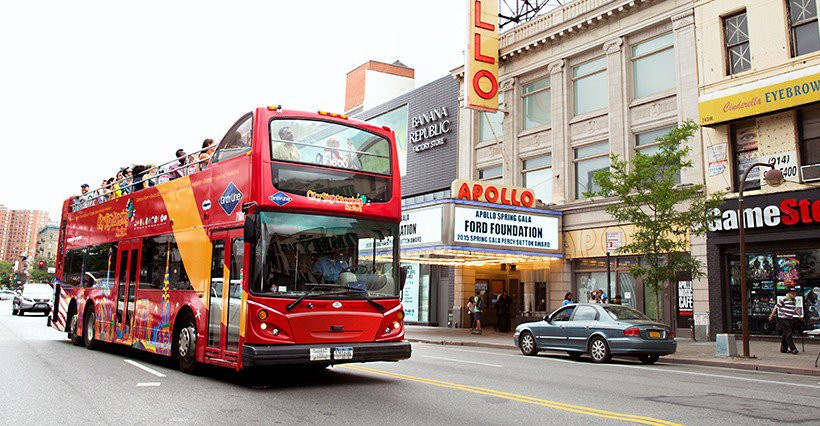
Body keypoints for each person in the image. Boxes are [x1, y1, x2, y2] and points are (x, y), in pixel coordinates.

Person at [769, 288, 800, 354]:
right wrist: (771, 316)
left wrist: (799, 315)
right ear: (789, 294)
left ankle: (783, 349)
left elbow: (794, 309)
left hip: (789, 318)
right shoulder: (784, 299)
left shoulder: (793, 301)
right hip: (783, 318)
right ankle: (793, 349)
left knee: (786, 333)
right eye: (792, 294)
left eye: (795, 294)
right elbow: (776, 307)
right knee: (788, 332)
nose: (794, 295)